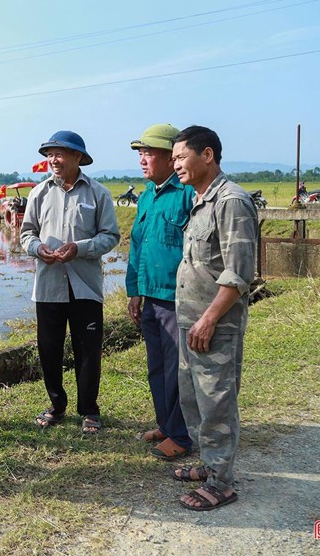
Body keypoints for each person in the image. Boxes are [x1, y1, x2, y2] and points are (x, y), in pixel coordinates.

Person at [170, 125, 258, 511]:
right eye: (172, 159)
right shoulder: (199, 200)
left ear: (207, 155)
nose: (175, 165)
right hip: (192, 321)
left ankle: (222, 482)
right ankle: (209, 466)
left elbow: (238, 274)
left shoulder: (232, 201)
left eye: (180, 157)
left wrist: (208, 319)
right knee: (194, 400)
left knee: (217, 402)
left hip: (214, 324)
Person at [20, 130, 120, 435]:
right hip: (48, 286)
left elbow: (110, 236)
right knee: (49, 350)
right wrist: (38, 249)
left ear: (78, 157)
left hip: (85, 287)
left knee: (88, 351)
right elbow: (26, 235)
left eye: (60, 153)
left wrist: (80, 248)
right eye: (49, 154)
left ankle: (89, 409)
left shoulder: (97, 193)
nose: (53, 159)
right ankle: (56, 405)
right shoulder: (39, 193)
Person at [125, 124, 196, 459]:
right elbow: (137, 247)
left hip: (176, 298)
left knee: (176, 370)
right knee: (157, 366)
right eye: (140, 153)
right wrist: (133, 291)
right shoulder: (146, 197)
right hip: (150, 297)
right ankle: (166, 426)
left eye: (149, 152)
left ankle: (180, 436)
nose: (143, 159)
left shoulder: (186, 194)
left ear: (172, 156)